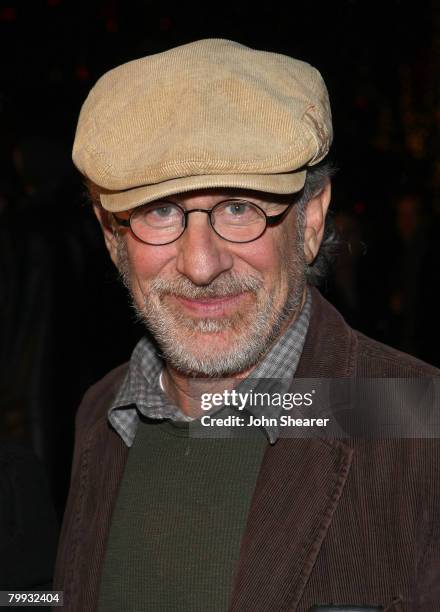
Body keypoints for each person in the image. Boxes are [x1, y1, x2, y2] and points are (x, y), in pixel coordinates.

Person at [54, 39, 440, 611]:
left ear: (310, 221)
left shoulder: (418, 424)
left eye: (240, 207)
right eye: (160, 211)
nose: (202, 264)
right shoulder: (101, 414)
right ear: (112, 237)